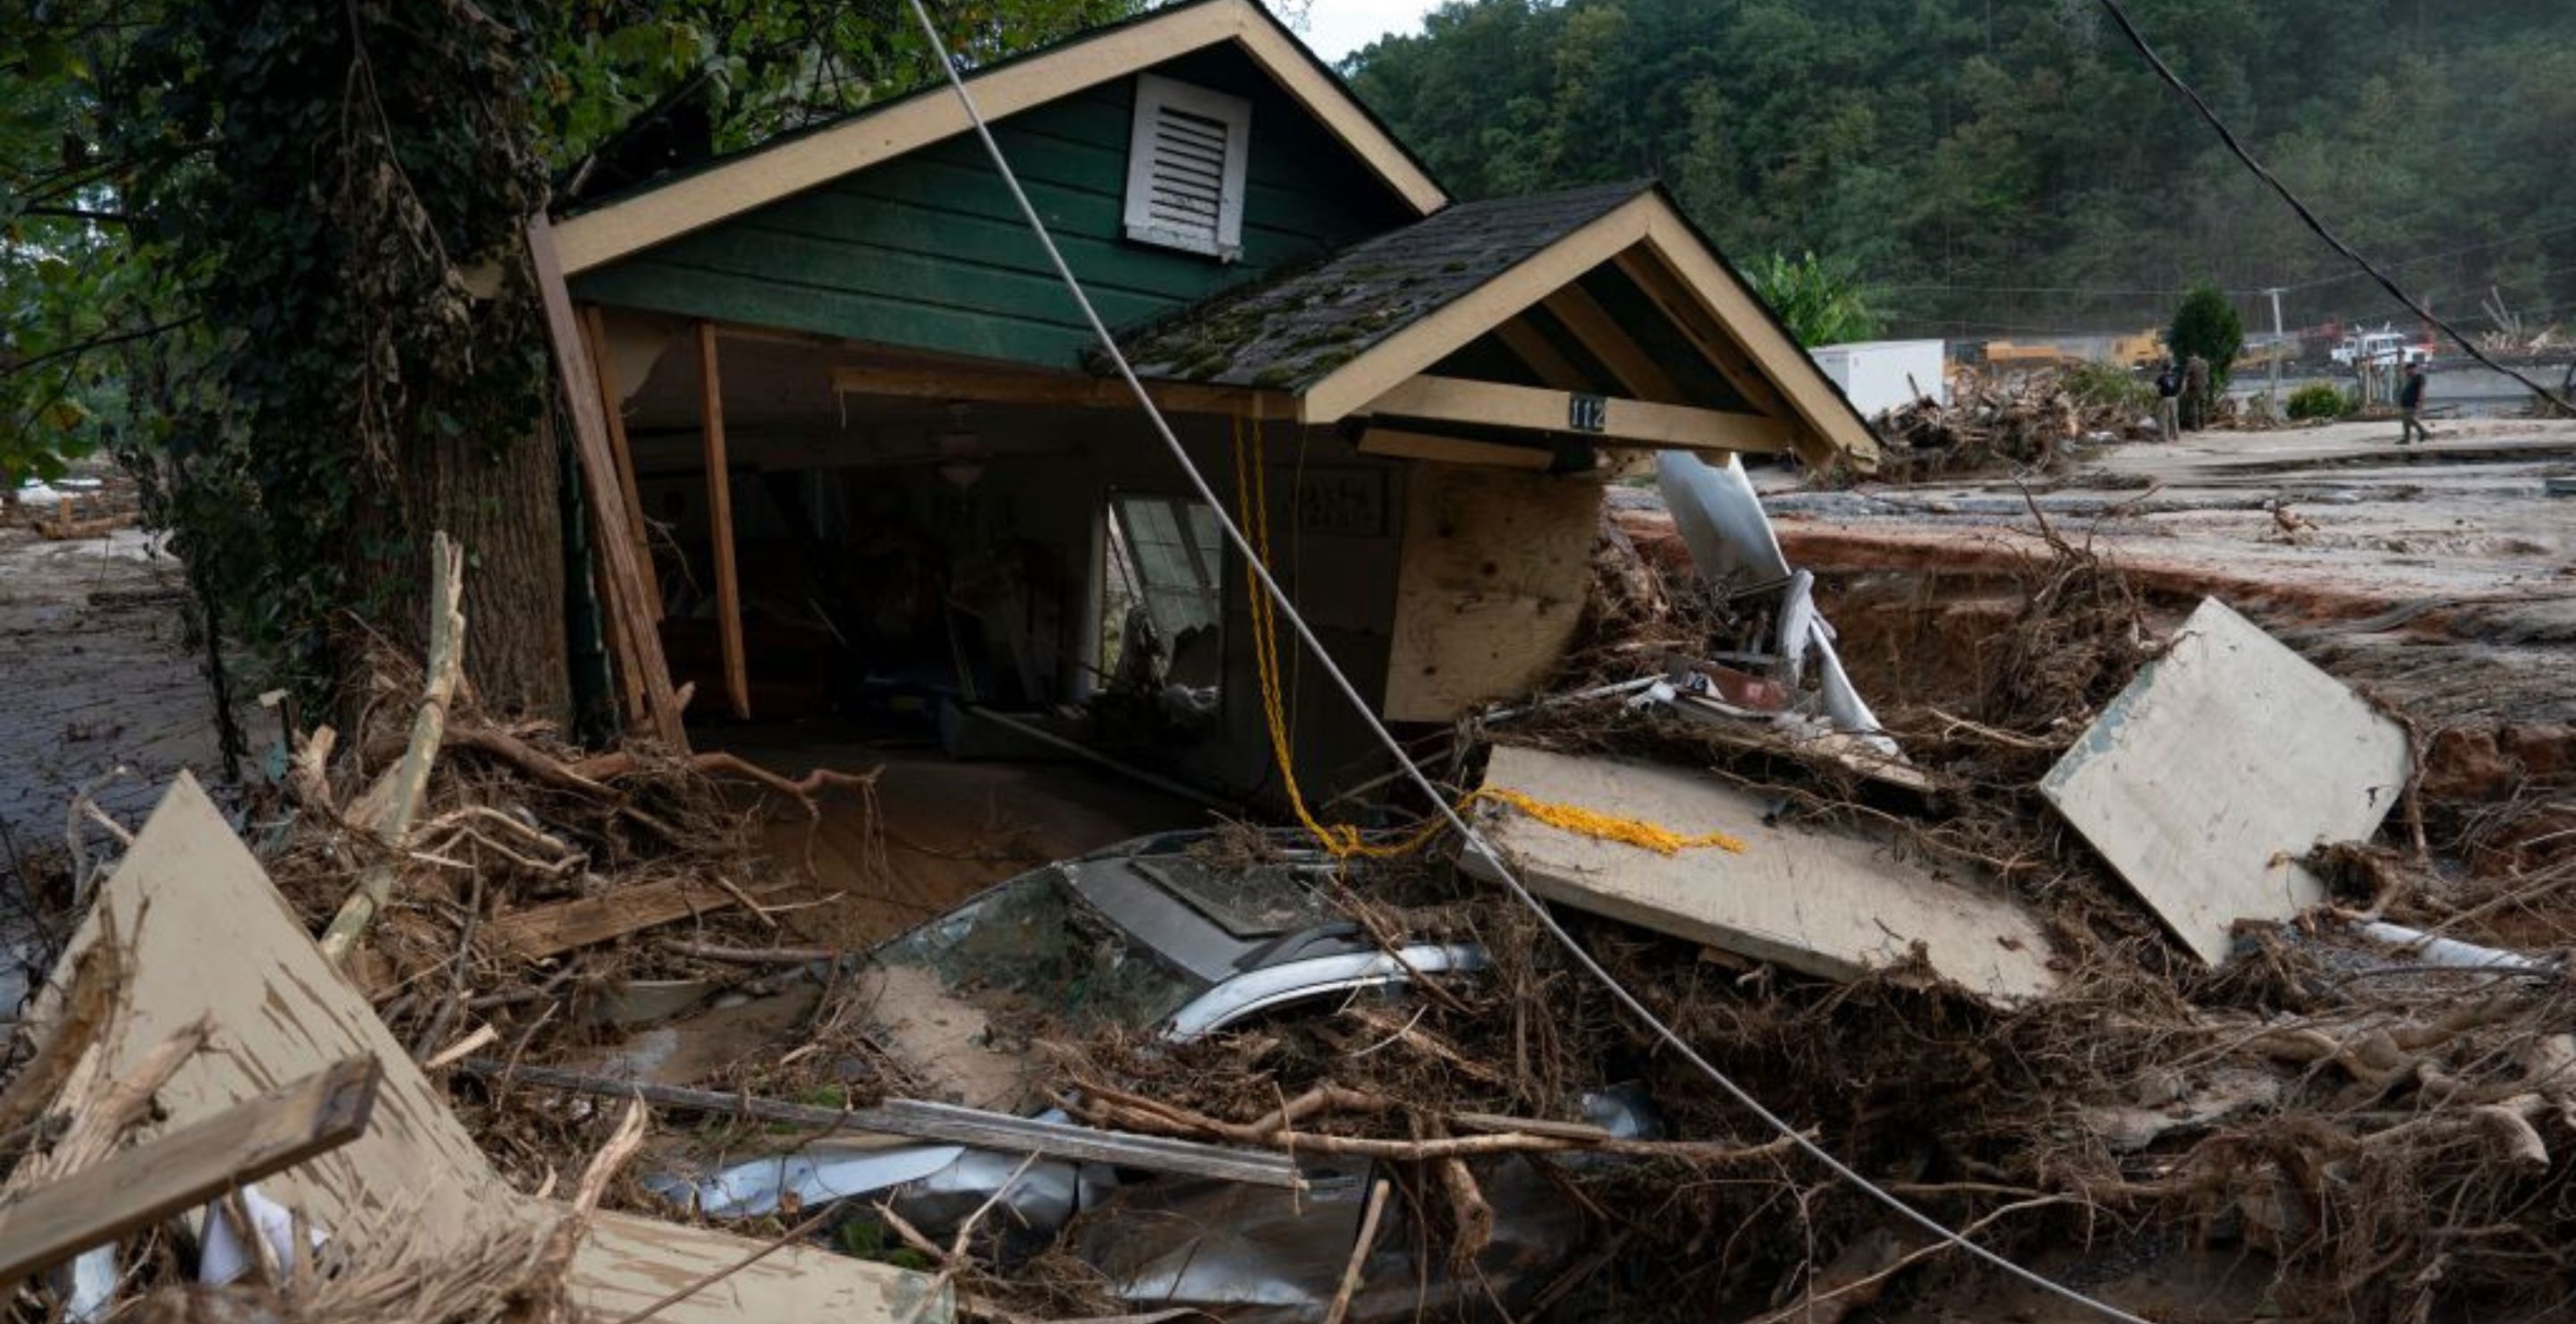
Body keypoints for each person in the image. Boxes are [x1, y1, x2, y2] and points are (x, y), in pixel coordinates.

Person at [2398, 361, 2430, 446]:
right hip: (2407, 403)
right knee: (2406, 421)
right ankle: (2406, 439)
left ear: (2413, 369)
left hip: (2412, 403)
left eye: (2408, 370)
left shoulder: (2419, 377)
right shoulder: (2411, 378)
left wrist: (2420, 402)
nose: (2406, 372)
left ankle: (2423, 433)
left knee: (2410, 419)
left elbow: (2421, 390)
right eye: (2406, 370)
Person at [2154, 360, 2183, 440]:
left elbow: (2156, 389)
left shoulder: (2161, 377)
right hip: (2174, 398)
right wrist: (2178, 395)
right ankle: (2176, 436)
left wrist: (2158, 396)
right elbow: (2182, 386)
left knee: (2164, 418)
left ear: (2163, 369)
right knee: (2174, 417)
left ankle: (2165, 437)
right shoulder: (2177, 376)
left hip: (2165, 398)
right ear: (2171, 368)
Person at [2182, 353, 2211, 431]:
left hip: (2194, 388)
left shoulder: (2191, 364)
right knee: (2203, 406)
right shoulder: (2205, 363)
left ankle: (2195, 426)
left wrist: (2183, 390)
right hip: (2204, 388)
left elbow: (2185, 378)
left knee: (2194, 406)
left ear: (2192, 358)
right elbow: (2207, 374)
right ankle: (2203, 425)